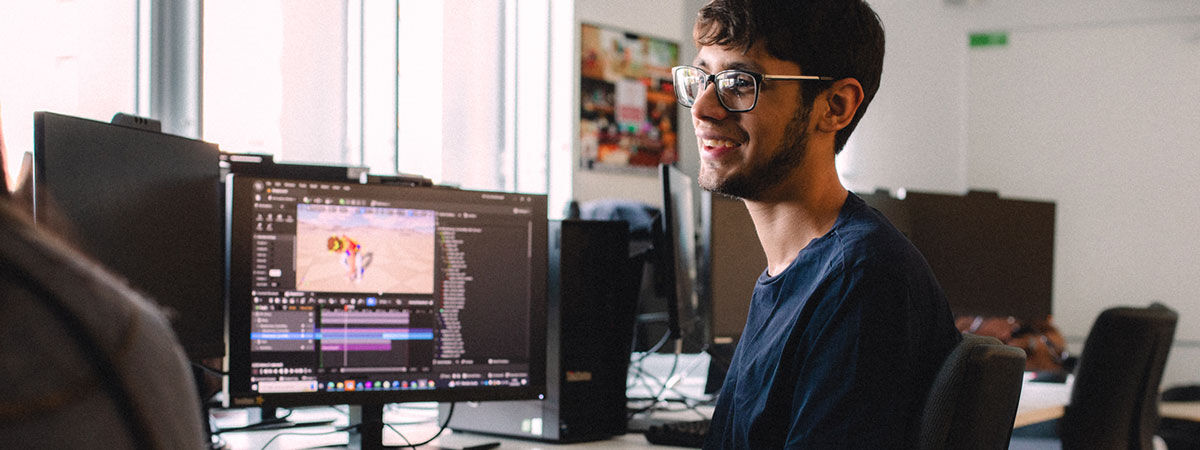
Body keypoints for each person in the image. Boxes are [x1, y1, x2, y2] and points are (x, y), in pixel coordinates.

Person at [671, 0, 962, 448]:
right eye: (702, 78)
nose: (704, 107)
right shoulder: (793, 275)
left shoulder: (858, 280)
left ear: (835, 106)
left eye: (738, 82)